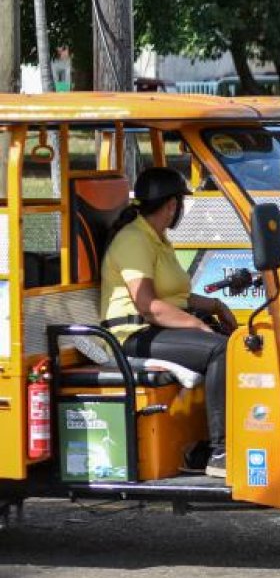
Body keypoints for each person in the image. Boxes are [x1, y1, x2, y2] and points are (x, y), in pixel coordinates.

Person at [100, 167, 239, 477]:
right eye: (180, 204)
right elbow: (148, 305)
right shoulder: (134, 240)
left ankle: (205, 443)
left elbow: (176, 296)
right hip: (132, 334)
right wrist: (197, 326)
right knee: (220, 350)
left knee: (240, 341)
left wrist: (216, 306)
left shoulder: (158, 239)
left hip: (156, 328)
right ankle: (221, 452)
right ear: (172, 205)